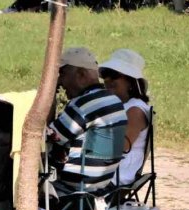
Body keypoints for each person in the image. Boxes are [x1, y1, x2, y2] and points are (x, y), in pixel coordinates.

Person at [46, 47, 127, 197]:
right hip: (102, 183)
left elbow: (50, 137)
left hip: (77, 186)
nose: (60, 81)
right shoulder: (114, 100)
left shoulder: (83, 105)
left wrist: (50, 95)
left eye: (62, 74)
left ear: (81, 74)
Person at [99, 49, 151, 186]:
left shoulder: (135, 110)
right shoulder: (123, 106)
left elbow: (121, 146)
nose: (107, 80)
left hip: (116, 176)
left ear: (130, 81)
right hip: (108, 170)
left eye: (114, 75)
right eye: (105, 75)